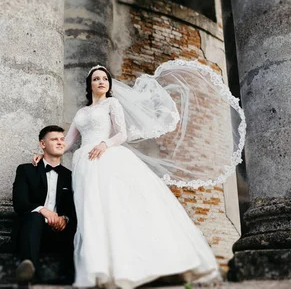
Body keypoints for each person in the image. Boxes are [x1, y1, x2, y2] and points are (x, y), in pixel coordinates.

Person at [33, 66, 221, 289]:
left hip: (106, 157)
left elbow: (121, 133)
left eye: (105, 78)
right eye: (96, 79)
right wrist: (44, 154)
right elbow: (68, 142)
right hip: (85, 163)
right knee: (92, 213)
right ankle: (101, 269)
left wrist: (105, 144)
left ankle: (133, 266)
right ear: (90, 84)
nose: (101, 81)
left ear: (109, 84)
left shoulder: (112, 104)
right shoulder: (81, 113)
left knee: (115, 208)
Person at [12, 125, 77, 283]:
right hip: (31, 232)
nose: (60, 142)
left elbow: (73, 209)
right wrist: (44, 211)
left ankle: (69, 277)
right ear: (43, 144)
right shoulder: (26, 170)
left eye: (62, 139)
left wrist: (64, 219)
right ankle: (28, 270)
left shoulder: (71, 176)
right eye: (54, 139)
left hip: (59, 234)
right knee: (35, 217)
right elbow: (20, 204)